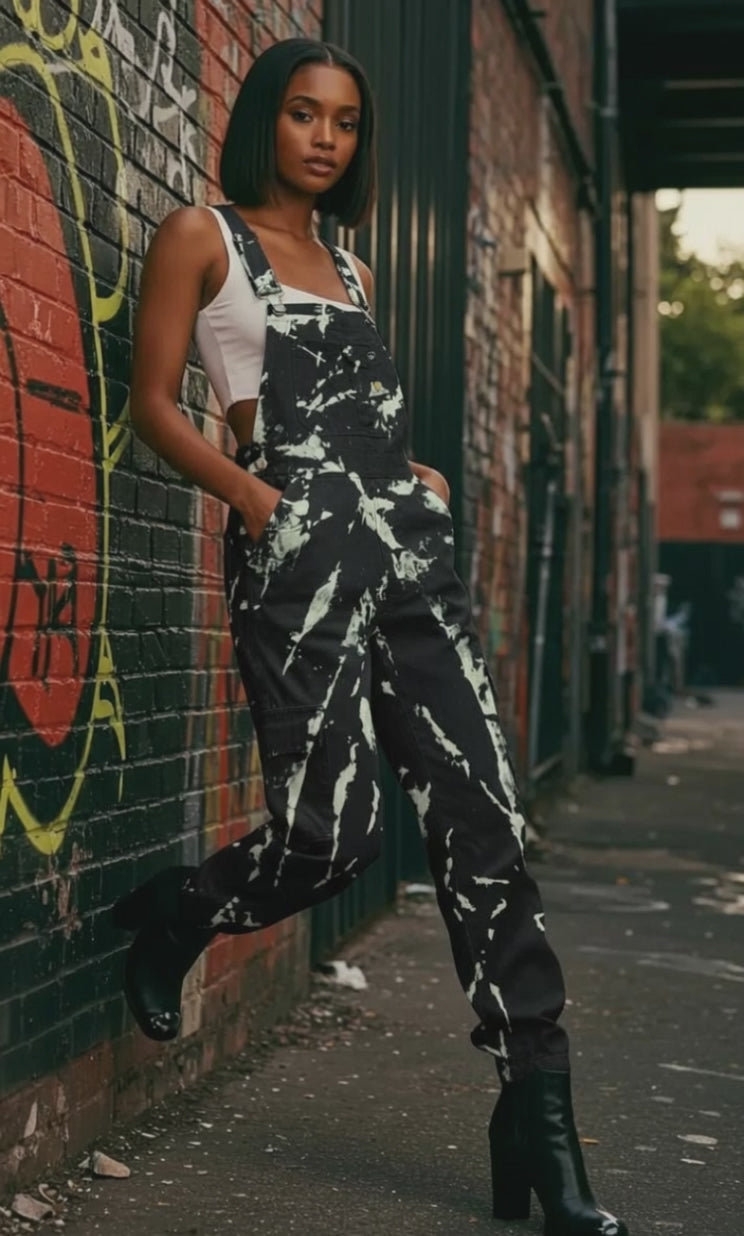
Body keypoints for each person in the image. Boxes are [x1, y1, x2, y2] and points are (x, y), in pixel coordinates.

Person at [114, 37, 628, 1236]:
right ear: (266, 122)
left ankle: (541, 1119)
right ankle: (189, 907)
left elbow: (369, 427)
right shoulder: (204, 235)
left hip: (407, 554)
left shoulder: (348, 264)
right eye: (304, 114)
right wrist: (253, 499)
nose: (326, 139)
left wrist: (416, 480)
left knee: (485, 821)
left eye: (344, 122)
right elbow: (151, 406)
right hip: (295, 563)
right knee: (331, 835)